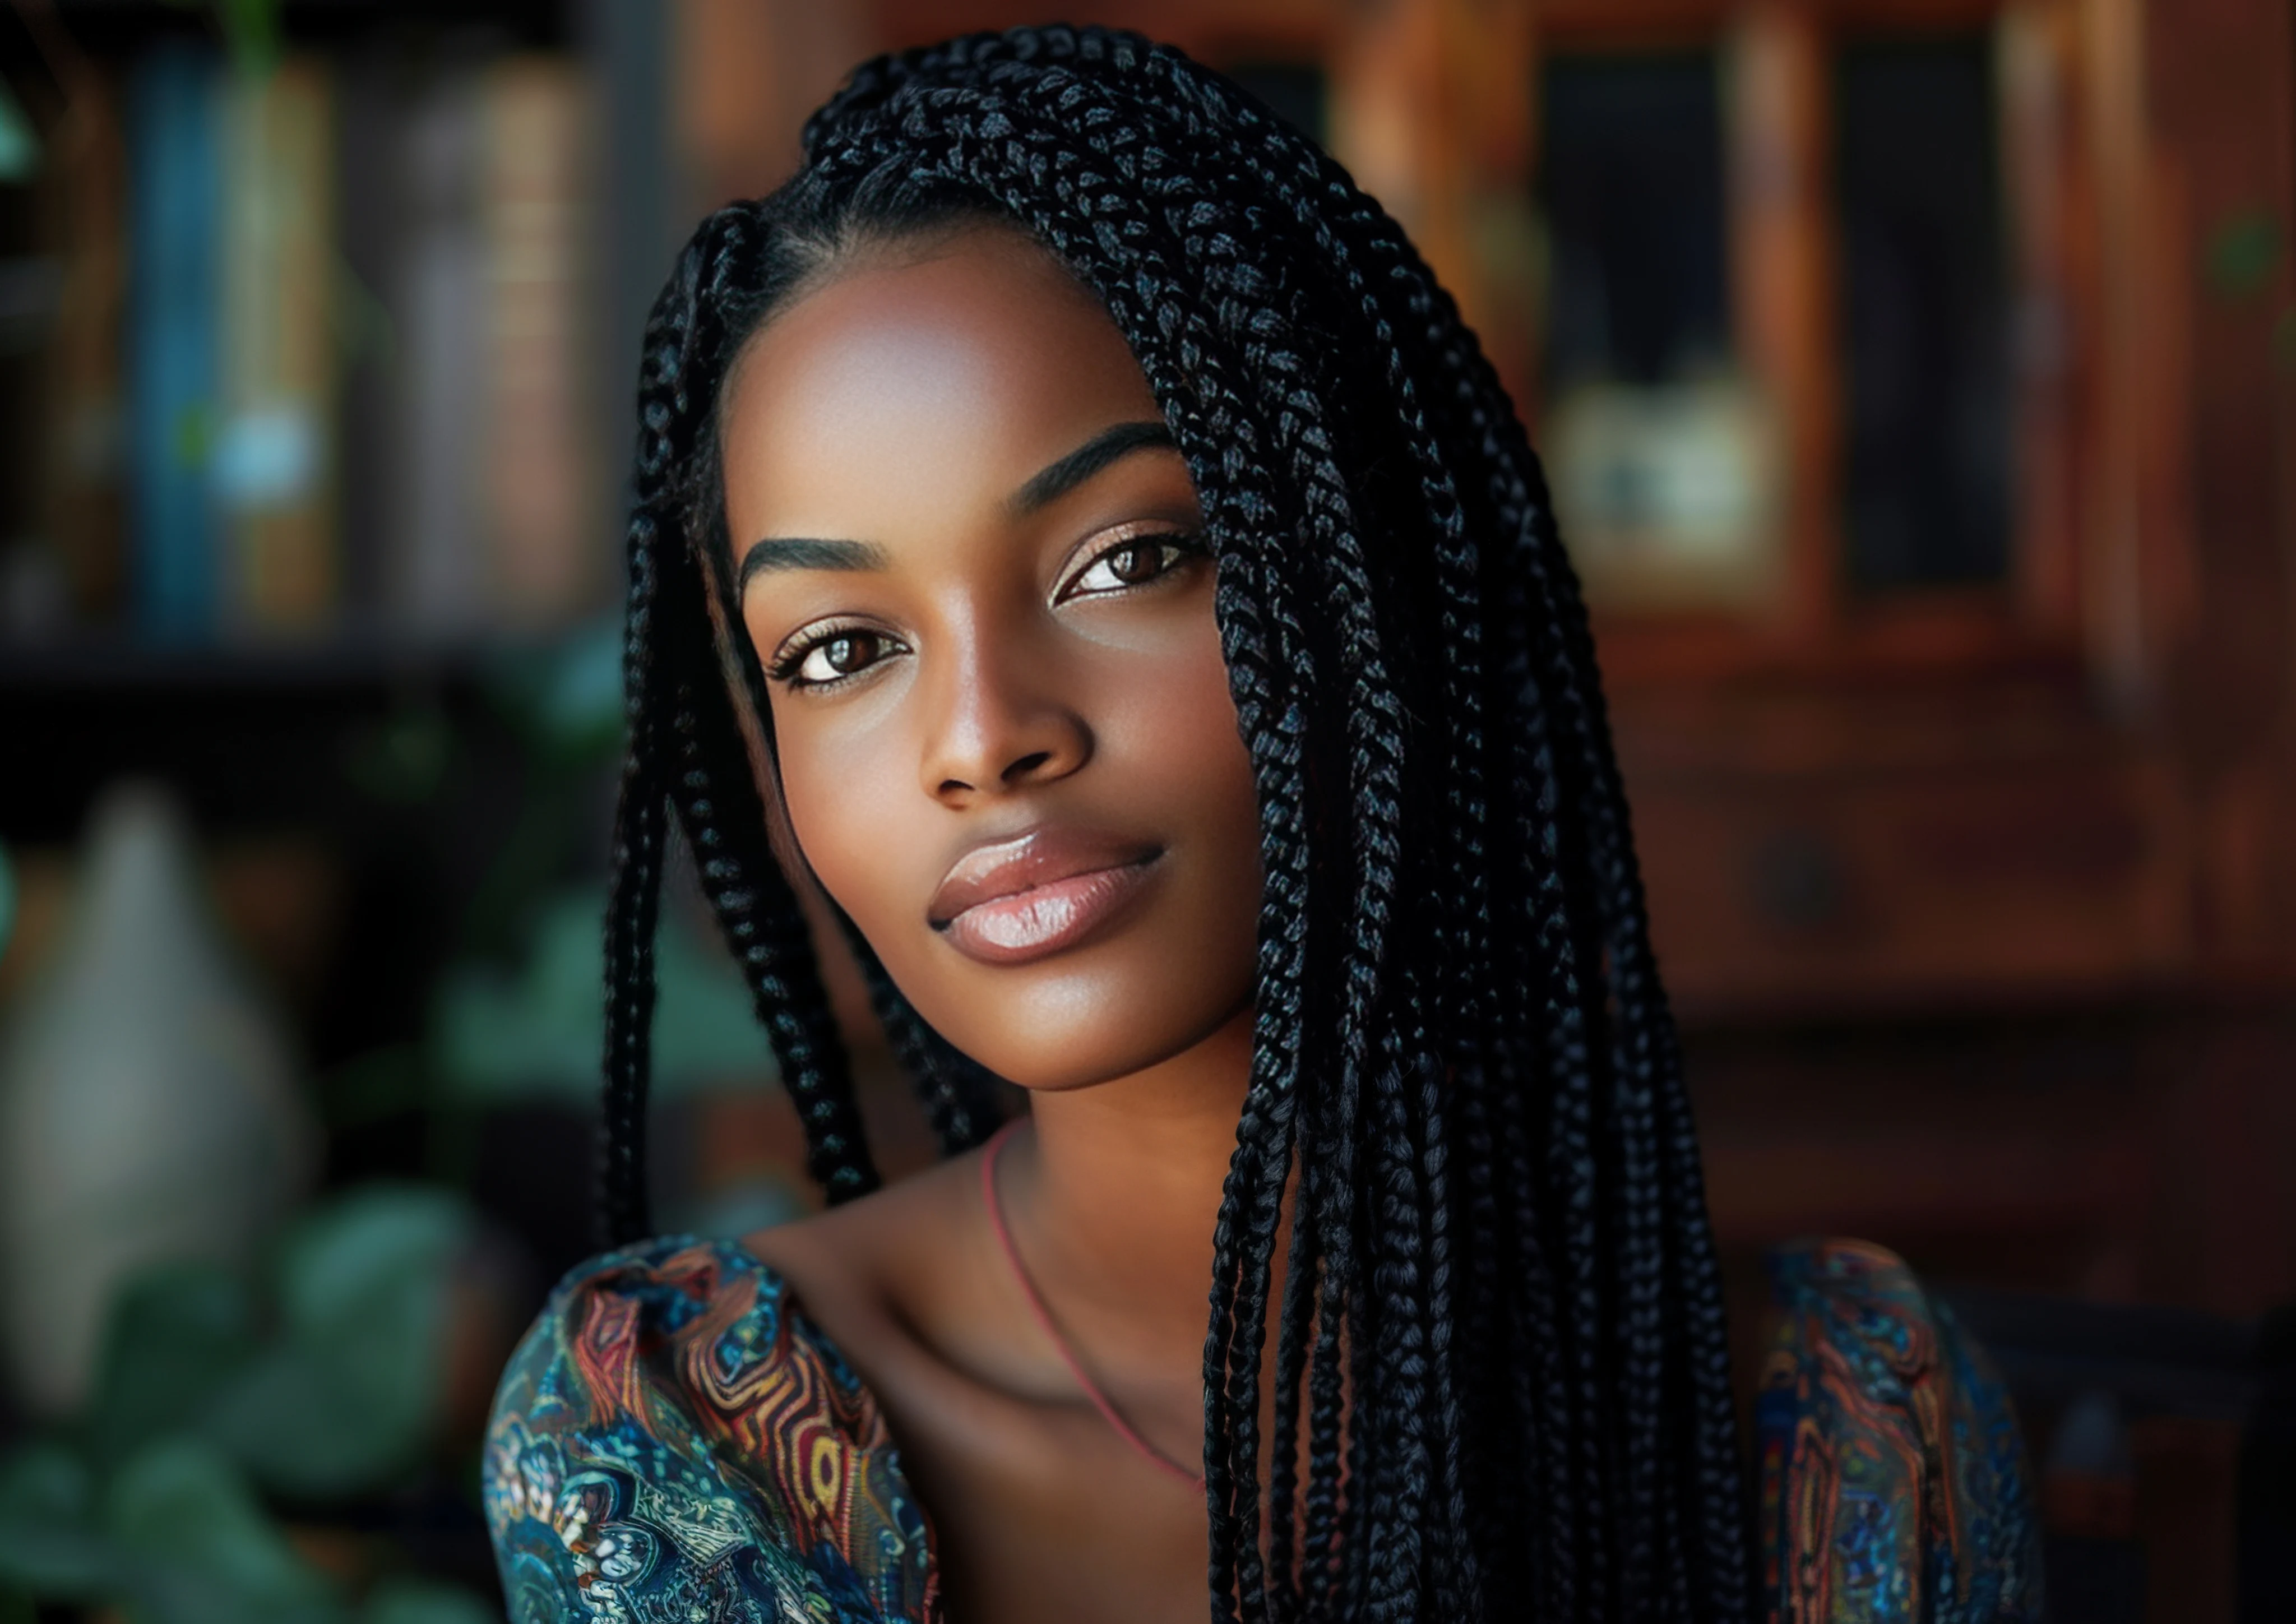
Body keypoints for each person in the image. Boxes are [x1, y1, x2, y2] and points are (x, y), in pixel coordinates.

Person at [482, 27, 2037, 1624]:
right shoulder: (682, 1435)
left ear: (1369, 576)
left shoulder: (1848, 1418)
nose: (979, 739)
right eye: (841, 651)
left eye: (1127, 561)